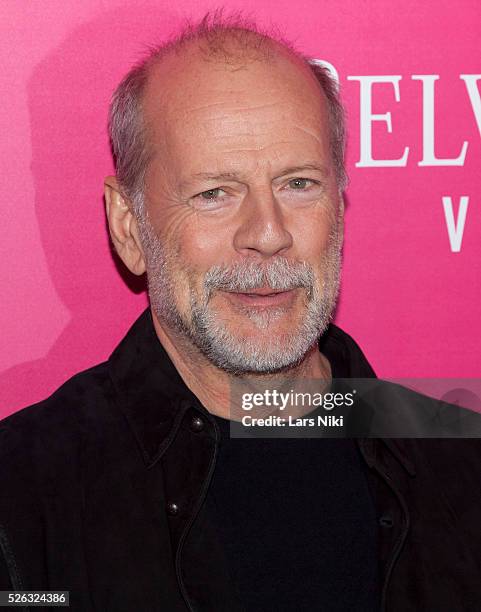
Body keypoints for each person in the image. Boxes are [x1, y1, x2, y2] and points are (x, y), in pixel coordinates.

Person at [0, 13, 480, 612]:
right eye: (213, 194)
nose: (268, 234)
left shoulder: (461, 462)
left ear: (340, 201)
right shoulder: (20, 497)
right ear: (129, 226)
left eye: (299, 183)